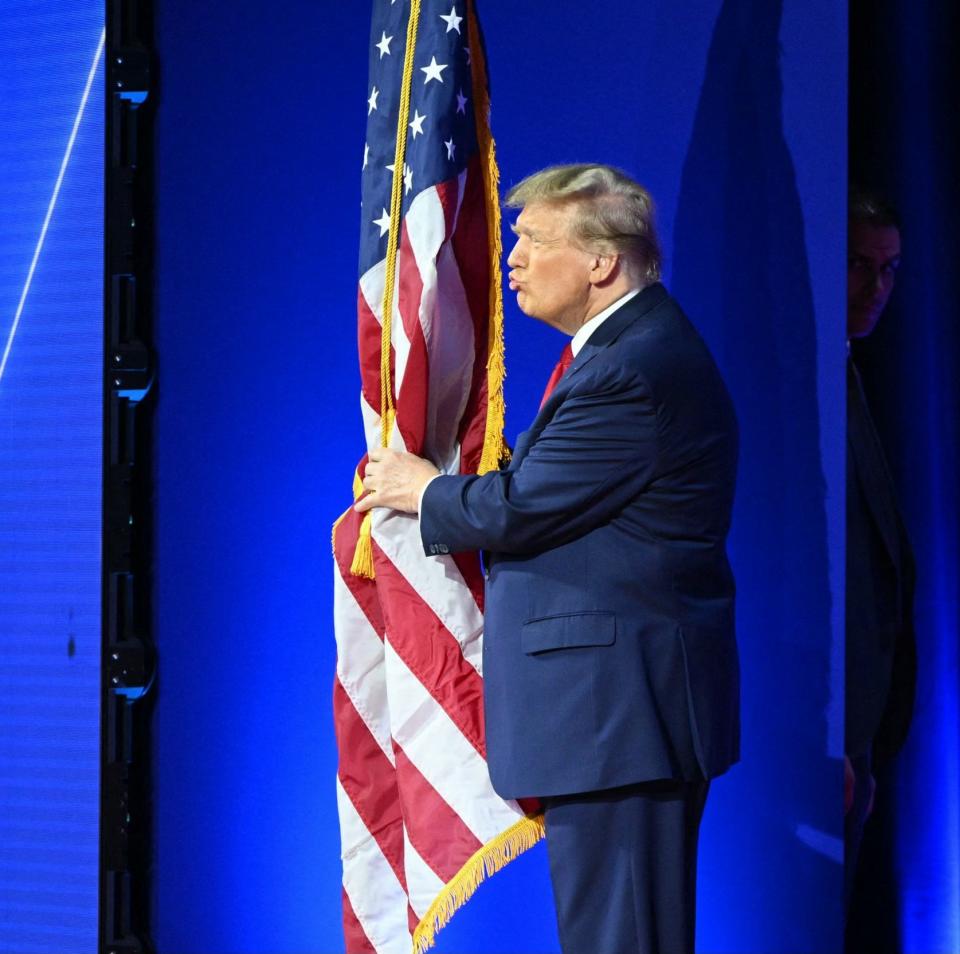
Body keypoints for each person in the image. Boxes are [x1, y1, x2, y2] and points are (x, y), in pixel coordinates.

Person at [357, 163, 740, 954]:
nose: (513, 260)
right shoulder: (625, 352)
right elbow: (545, 481)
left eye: (532, 240)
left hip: (622, 720)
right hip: (614, 721)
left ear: (601, 262)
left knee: (620, 940)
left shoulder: (633, 370)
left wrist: (423, 489)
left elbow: (523, 507)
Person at [844, 186, 916, 914]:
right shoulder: (812, 385)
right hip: (824, 728)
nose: (877, 287)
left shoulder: (851, 374)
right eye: (859, 264)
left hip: (863, 724)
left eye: (891, 270)